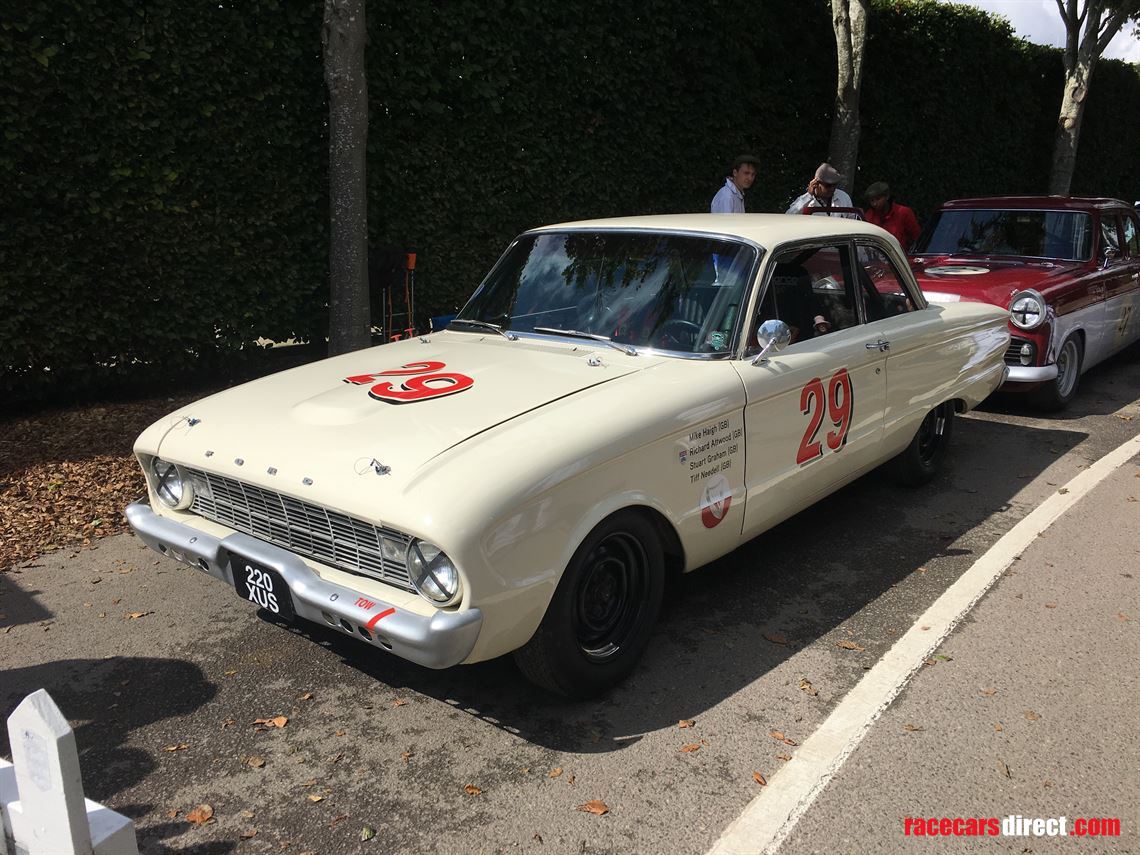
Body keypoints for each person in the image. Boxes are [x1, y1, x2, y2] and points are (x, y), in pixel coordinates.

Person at [863, 181, 921, 250]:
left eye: (878, 199)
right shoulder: (869, 216)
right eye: (872, 201)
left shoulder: (904, 213)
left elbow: (917, 237)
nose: (874, 204)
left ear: (887, 196)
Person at [786, 162, 857, 218]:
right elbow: (789, 216)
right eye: (828, 185)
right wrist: (809, 196)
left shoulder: (843, 197)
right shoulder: (806, 200)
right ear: (816, 183)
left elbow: (852, 220)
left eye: (834, 185)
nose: (832, 189)